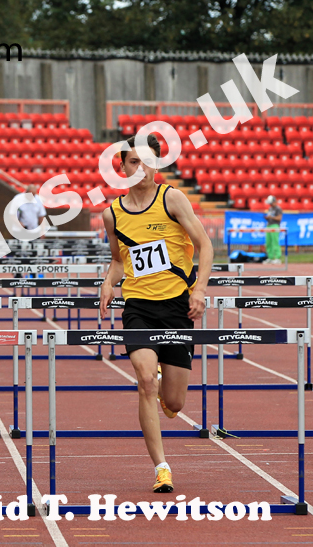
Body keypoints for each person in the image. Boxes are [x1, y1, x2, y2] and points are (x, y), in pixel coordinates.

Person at [99, 134, 213, 494]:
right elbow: (120, 261)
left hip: (177, 307)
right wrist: (108, 282)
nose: (142, 168)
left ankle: (168, 383)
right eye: (134, 162)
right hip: (138, 309)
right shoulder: (112, 214)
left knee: (174, 403)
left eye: (148, 161)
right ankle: (162, 468)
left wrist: (200, 290)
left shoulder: (172, 199)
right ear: (122, 167)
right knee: (145, 381)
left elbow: (206, 246)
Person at [263, 195, 283, 265]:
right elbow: (270, 216)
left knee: (275, 242)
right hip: (268, 225)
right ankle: (270, 257)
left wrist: (271, 217)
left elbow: (279, 218)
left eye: (271, 203)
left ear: (275, 201)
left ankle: (277, 258)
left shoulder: (278, 209)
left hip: (275, 225)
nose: (270, 204)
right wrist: (267, 218)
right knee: (268, 242)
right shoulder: (270, 209)